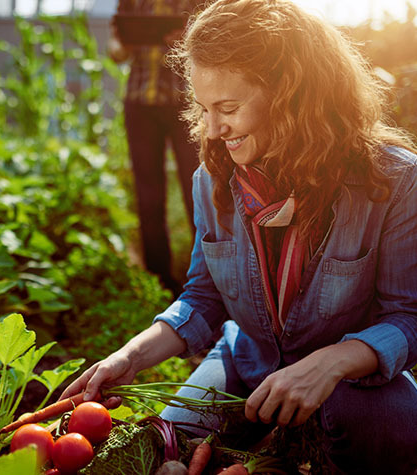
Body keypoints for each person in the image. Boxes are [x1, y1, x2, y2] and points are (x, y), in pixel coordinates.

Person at [62, 0, 417, 472]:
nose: (211, 129)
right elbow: (203, 296)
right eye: (204, 108)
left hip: (349, 382)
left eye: (228, 108)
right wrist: (132, 355)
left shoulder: (393, 182)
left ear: (294, 97)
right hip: (246, 363)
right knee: (171, 445)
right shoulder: (213, 180)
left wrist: (332, 362)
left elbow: (407, 316)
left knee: (397, 436)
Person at [109, 0, 204, 296]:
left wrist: (187, 40)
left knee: (197, 190)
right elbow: (116, 51)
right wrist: (127, 42)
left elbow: (217, 43)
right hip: (140, 105)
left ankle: (204, 276)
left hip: (185, 105)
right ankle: (160, 279)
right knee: (148, 195)